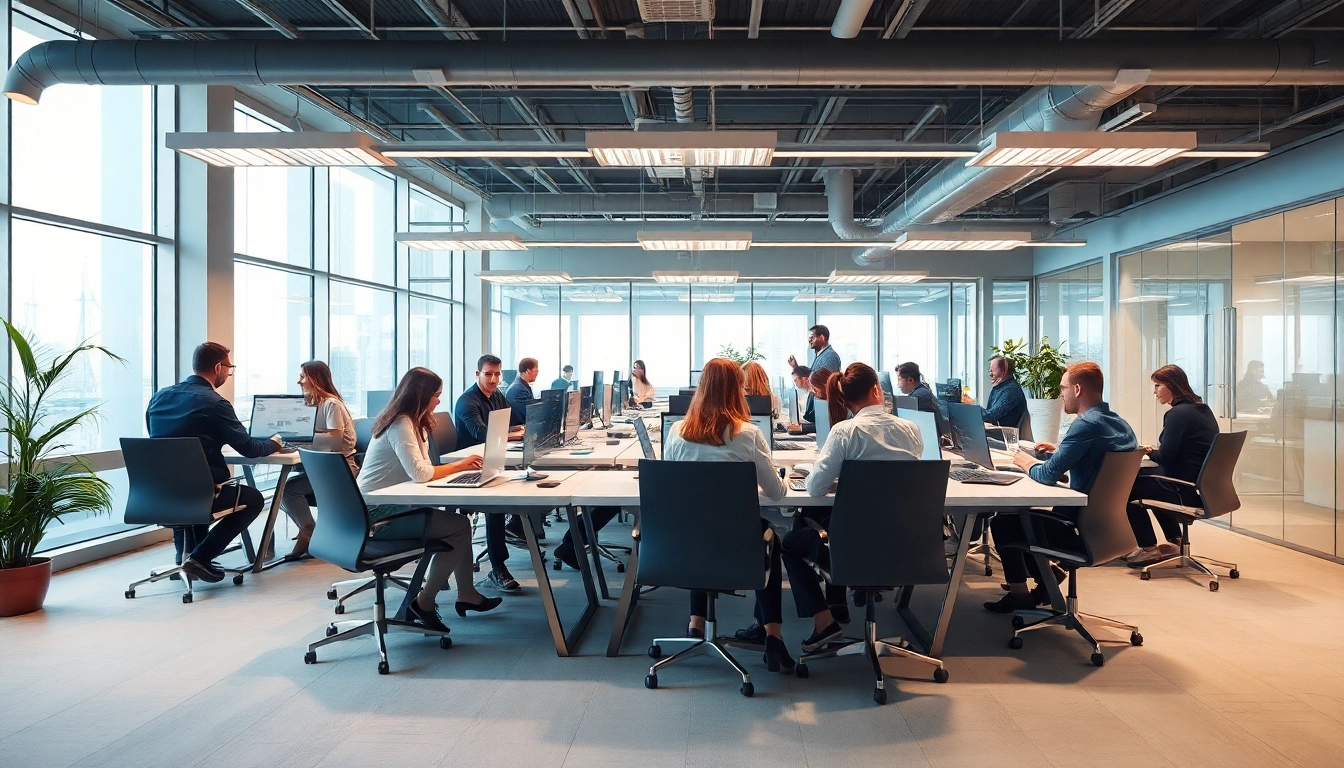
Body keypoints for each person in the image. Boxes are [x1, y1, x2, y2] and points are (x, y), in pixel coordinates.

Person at [778, 363, 923, 652]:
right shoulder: (912, 429)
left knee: (791, 542)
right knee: (819, 518)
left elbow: (815, 488)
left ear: (845, 398)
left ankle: (824, 620)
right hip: (905, 545)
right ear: (876, 390)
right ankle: (836, 603)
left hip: (852, 547)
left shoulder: (844, 432)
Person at [662, 358, 794, 672]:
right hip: (738, 544)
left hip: (684, 543)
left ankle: (695, 623)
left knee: (698, 519)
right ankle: (772, 634)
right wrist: (787, 477)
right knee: (769, 537)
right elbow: (777, 494)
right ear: (737, 390)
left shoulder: (677, 432)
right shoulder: (748, 435)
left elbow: (674, 490)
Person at [985, 362, 1138, 613]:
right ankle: (1047, 579)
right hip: (1109, 528)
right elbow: (1098, 461)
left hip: (1076, 529)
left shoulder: (1085, 425)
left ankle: (1020, 595)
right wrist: (1062, 452)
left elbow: (1045, 475)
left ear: (1077, 389)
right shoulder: (1119, 424)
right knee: (1025, 519)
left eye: (1063, 388)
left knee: (1006, 521)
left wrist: (1026, 462)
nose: (1061, 394)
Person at [357, 367, 501, 632]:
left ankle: (466, 593)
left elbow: (420, 469)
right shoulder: (401, 423)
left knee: (459, 524)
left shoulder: (409, 421)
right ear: (420, 396)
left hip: (391, 504)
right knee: (458, 527)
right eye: (435, 396)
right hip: (378, 516)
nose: (438, 401)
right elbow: (421, 473)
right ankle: (423, 602)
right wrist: (461, 467)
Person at [145, 342, 282, 583]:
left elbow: (160, 445)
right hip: (200, 493)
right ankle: (200, 558)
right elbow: (249, 449)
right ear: (218, 367)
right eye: (230, 368)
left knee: (191, 487)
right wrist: (274, 443)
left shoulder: (159, 398)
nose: (229, 373)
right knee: (254, 499)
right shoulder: (215, 403)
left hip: (160, 493)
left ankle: (184, 558)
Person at [1125, 364, 1219, 568]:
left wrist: (1149, 451)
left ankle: (1148, 548)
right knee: (1148, 480)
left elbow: (1167, 456)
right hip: (1194, 483)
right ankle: (1175, 540)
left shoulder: (1177, 414)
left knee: (1127, 489)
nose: (1155, 391)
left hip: (1180, 486)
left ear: (1171, 386)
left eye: (1158, 386)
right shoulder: (1201, 409)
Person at [454, 354, 526, 593]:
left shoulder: (496, 396)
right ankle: (498, 567)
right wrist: (516, 434)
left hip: (494, 459)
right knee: (497, 501)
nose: (494, 379)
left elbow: (511, 422)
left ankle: (520, 526)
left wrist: (520, 429)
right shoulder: (467, 401)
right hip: (470, 467)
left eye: (497, 374)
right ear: (478, 374)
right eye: (488, 374)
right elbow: (483, 434)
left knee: (529, 478)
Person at [278, 361, 356, 560]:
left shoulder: (331, 404)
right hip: (321, 468)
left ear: (315, 379)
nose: (299, 381)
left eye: (303, 376)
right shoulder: (311, 404)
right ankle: (309, 532)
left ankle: (309, 532)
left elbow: (335, 442)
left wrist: (303, 441)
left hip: (341, 469)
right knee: (283, 489)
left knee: (287, 489)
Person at [962, 355, 1027, 428]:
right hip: (995, 432)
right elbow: (989, 415)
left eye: (992, 371)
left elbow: (991, 416)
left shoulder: (1012, 390)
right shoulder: (999, 388)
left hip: (1003, 435)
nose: (990, 375)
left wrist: (969, 406)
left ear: (1004, 370)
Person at [896, 361, 947, 437]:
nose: (898, 384)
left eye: (899, 380)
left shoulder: (919, 396)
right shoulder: (922, 391)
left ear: (910, 380)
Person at [788, 367, 832, 435]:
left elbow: (825, 423)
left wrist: (803, 428)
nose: (813, 392)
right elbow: (810, 417)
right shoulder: (815, 395)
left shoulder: (833, 402)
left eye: (815, 389)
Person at [505, 357, 540, 424]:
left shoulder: (523, 386)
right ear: (528, 371)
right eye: (536, 371)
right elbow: (529, 413)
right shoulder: (517, 389)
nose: (537, 373)